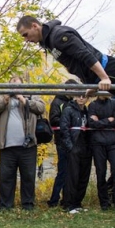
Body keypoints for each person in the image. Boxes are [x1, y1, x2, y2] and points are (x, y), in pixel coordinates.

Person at [0, 76, 46, 210]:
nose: (15, 88)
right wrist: (5, 100)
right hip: (7, 146)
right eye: (12, 85)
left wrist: (24, 100)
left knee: (28, 177)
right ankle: (5, 206)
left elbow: (41, 108)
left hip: (28, 145)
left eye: (17, 85)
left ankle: (28, 205)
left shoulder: (30, 95)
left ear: (23, 86)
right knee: (6, 177)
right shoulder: (3, 97)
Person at [47, 79, 78, 208]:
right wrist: (66, 120)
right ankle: (53, 200)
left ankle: (66, 200)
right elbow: (53, 120)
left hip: (73, 140)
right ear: (67, 89)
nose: (76, 93)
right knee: (63, 171)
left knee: (71, 171)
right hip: (61, 140)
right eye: (74, 90)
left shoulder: (73, 103)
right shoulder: (57, 102)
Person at [87, 94, 115, 210]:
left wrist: (100, 121)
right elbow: (91, 124)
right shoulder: (92, 105)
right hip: (98, 143)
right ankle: (104, 203)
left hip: (113, 142)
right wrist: (108, 120)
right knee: (100, 172)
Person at [59, 94, 92, 214]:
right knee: (72, 176)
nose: (81, 98)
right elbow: (64, 129)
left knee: (83, 176)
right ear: (75, 97)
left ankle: (77, 203)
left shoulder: (87, 111)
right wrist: (70, 147)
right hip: (74, 146)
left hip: (86, 147)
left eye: (84, 96)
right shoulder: (69, 110)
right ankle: (68, 204)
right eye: (79, 96)